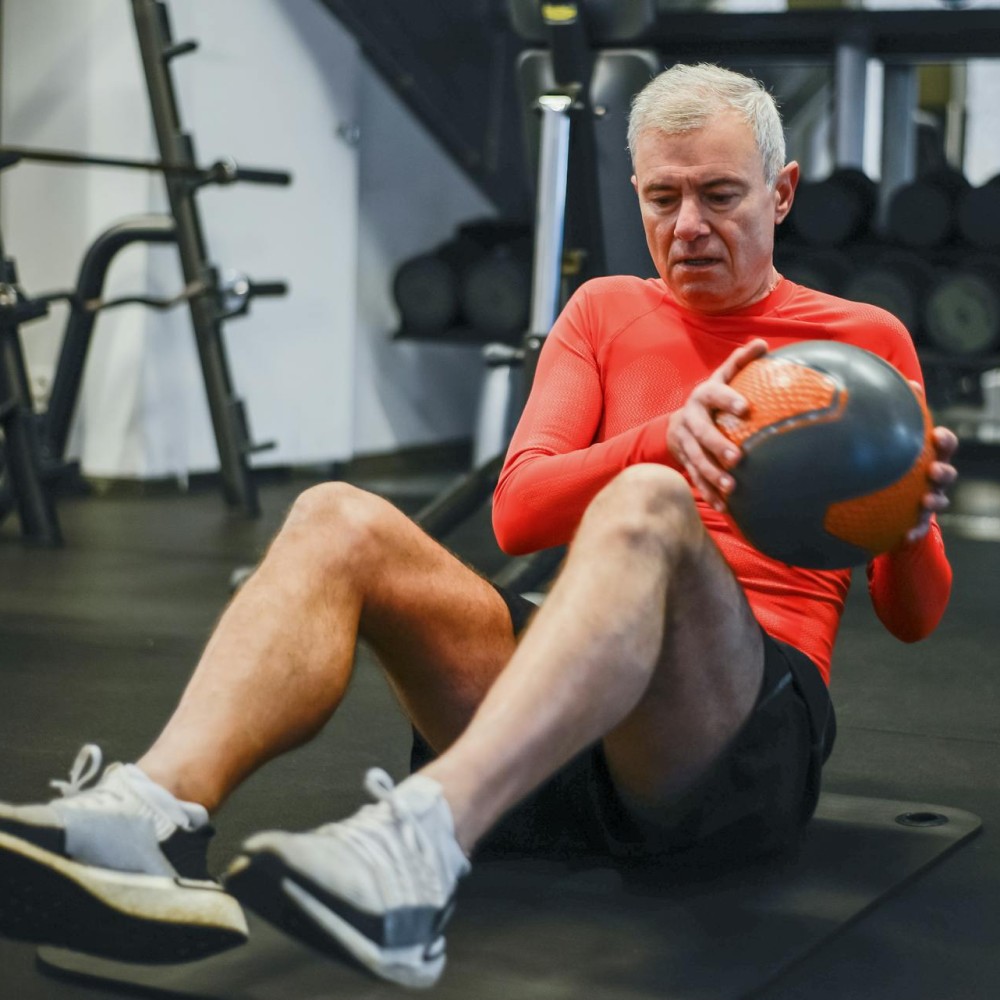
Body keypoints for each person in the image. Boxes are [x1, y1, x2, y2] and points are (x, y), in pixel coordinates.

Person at [0, 63, 957, 989]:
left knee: (647, 504)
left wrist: (909, 519)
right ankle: (152, 813)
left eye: (721, 195)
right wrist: (664, 435)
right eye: (664, 199)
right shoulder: (605, 310)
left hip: (733, 742)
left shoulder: (862, 340)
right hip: (564, 719)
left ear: (781, 193)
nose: (690, 226)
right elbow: (520, 506)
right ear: (635, 194)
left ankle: (420, 847)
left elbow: (913, 619)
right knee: (335, 514)